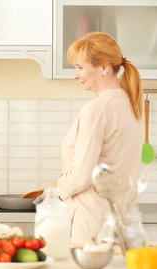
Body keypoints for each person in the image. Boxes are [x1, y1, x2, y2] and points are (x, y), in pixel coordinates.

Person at [45, 32, 143, 244]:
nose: (75, 74)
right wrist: (59, 183)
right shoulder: (131, 105)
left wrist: (53, 192)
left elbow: (82, 175)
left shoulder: (97, 109)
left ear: (104, 68)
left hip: (93, 225)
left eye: (80, 67)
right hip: (125, 223)